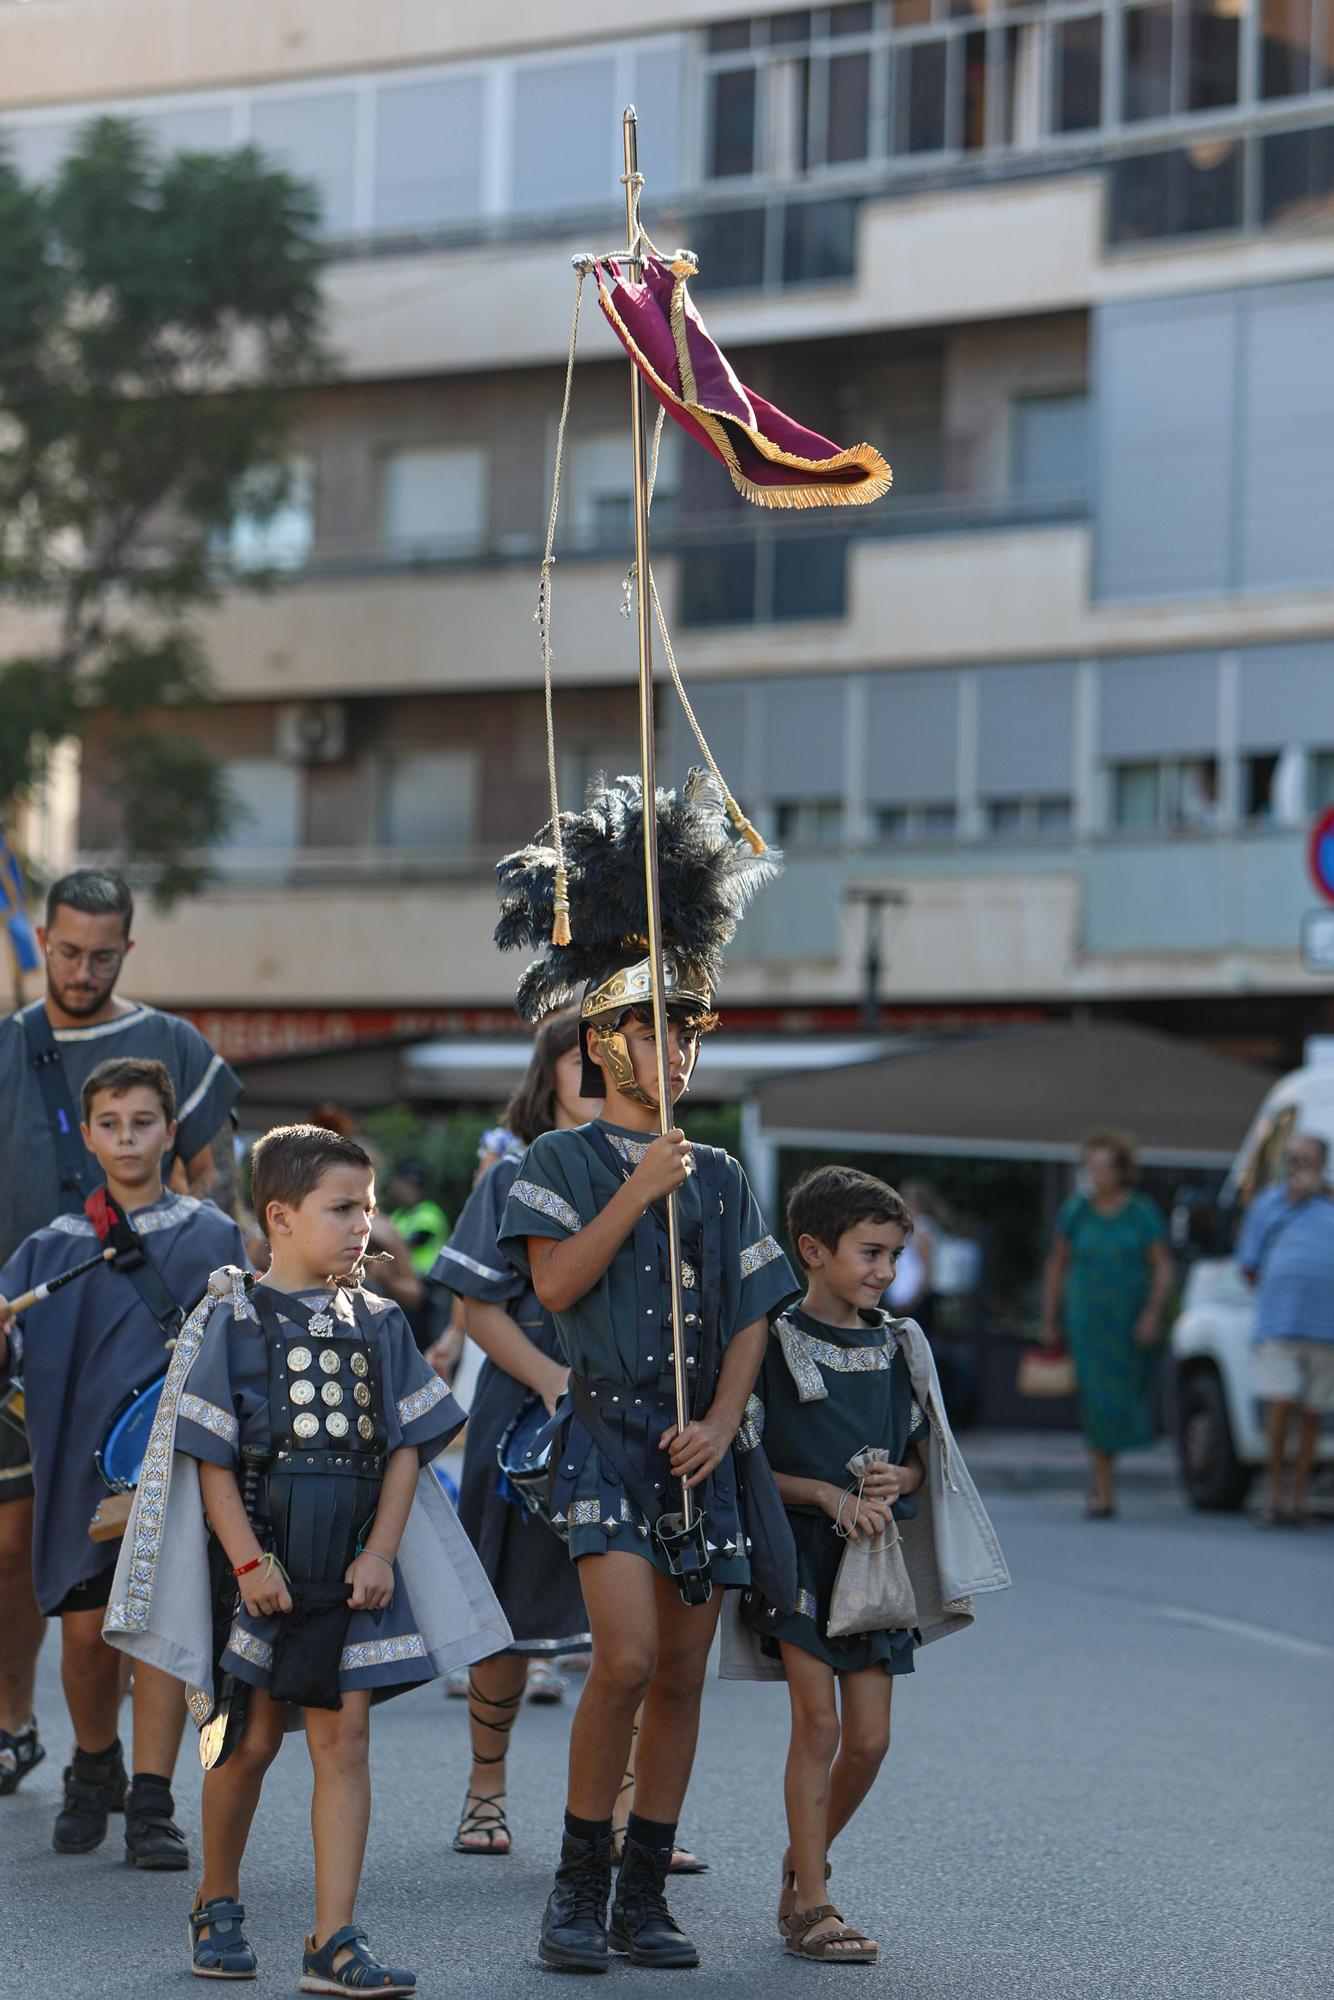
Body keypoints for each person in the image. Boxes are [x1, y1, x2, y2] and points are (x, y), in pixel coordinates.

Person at [493, 772, 799, 1973]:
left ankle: (641, 1892)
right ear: (609, 1037)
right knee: (619, 1656)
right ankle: (572, 1887)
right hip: (605, 1434)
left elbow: (750, 1314)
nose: (680, 1047)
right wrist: (635, 1187)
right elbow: (555, 1288)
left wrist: (726, 1420)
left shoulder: (719, 1173)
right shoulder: (563, 1157)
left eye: (693, 1026)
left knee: (680, 1671)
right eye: (661, 1026)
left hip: (696, 1446)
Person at [101, 1123, 511, 1991]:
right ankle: (216, 1898)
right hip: (260, 1573)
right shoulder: (233, 1318)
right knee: (246, 1745)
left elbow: (407, 1446)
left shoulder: (385, 1321)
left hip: (352, 1571)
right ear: (280, 1216)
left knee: (347, 1739)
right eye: (343, 1208)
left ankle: (333, 1939)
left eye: (366, 1206)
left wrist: (385, 1552)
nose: (366, 1224)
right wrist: (248, 1561)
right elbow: (207, 1457)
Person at [725, 1165, 1009, 1959]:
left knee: (872, 1741)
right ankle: (813, 1904)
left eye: (893, 1255)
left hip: (873, 1566)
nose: (886, 1271)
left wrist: (901, 1478)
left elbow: (925, 1462)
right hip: (799, 1558)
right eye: (870, 1253)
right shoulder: (770, 1337)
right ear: (812, 1250)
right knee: (817, 1726)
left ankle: (799, 1861)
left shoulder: (899, 1344)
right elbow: (742, 1465)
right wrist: (822, 1492)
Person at [0, 867, 241, 1796]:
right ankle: (16, 1720)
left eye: (104, 955)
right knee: (20, 1542)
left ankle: (136, 1783)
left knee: (150, 1566)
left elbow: (211, 1173)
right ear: (43, 936)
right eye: (66, 951)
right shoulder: (10, 1046)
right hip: (29, 1329)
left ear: (128, 949)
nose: (82, 969)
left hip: (141, 1350)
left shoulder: (168, 1042)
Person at [435, 1008, 598, 1855]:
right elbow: (478, 1307)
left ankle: (630, 1811)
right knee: (507, 1613)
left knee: (629, 1630)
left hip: (636, 1421)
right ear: (548, 1074)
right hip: (529, 1410)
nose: (600, 1070)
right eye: (581, 1057)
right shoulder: (511, 1174)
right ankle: (485, 1791)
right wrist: (554, 1385)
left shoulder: (674, 1176)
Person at [1041, 1130, 1173, 1519]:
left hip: (1128, 1325)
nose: (1095, 1174)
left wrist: (1153, 1311)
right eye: (1091, 1166)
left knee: (1121, 1401)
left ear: (1121, 1170)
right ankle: (1103, 1488)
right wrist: (1050, 1317)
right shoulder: (1077, 1211)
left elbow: (1162, 1266)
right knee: (1096, 1401)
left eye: (1103, 1166)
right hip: (1087, 1322)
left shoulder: (1141, 1212)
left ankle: (1102, 1474)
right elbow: (1057, 1265)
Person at [1235, 1133, 1334, 1527]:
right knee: (1279, 1404)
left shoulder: (1331, 1205)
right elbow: (1248, 1263)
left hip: (1326, 1328)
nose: (1298, 1167)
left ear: (1322, 1165)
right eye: (1292, 1159)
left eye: (1306, 1160)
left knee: (1312, 1412)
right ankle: (1272, 1494)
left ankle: (1297, 1499)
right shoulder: (1267, 1204)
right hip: (1278, 1322)